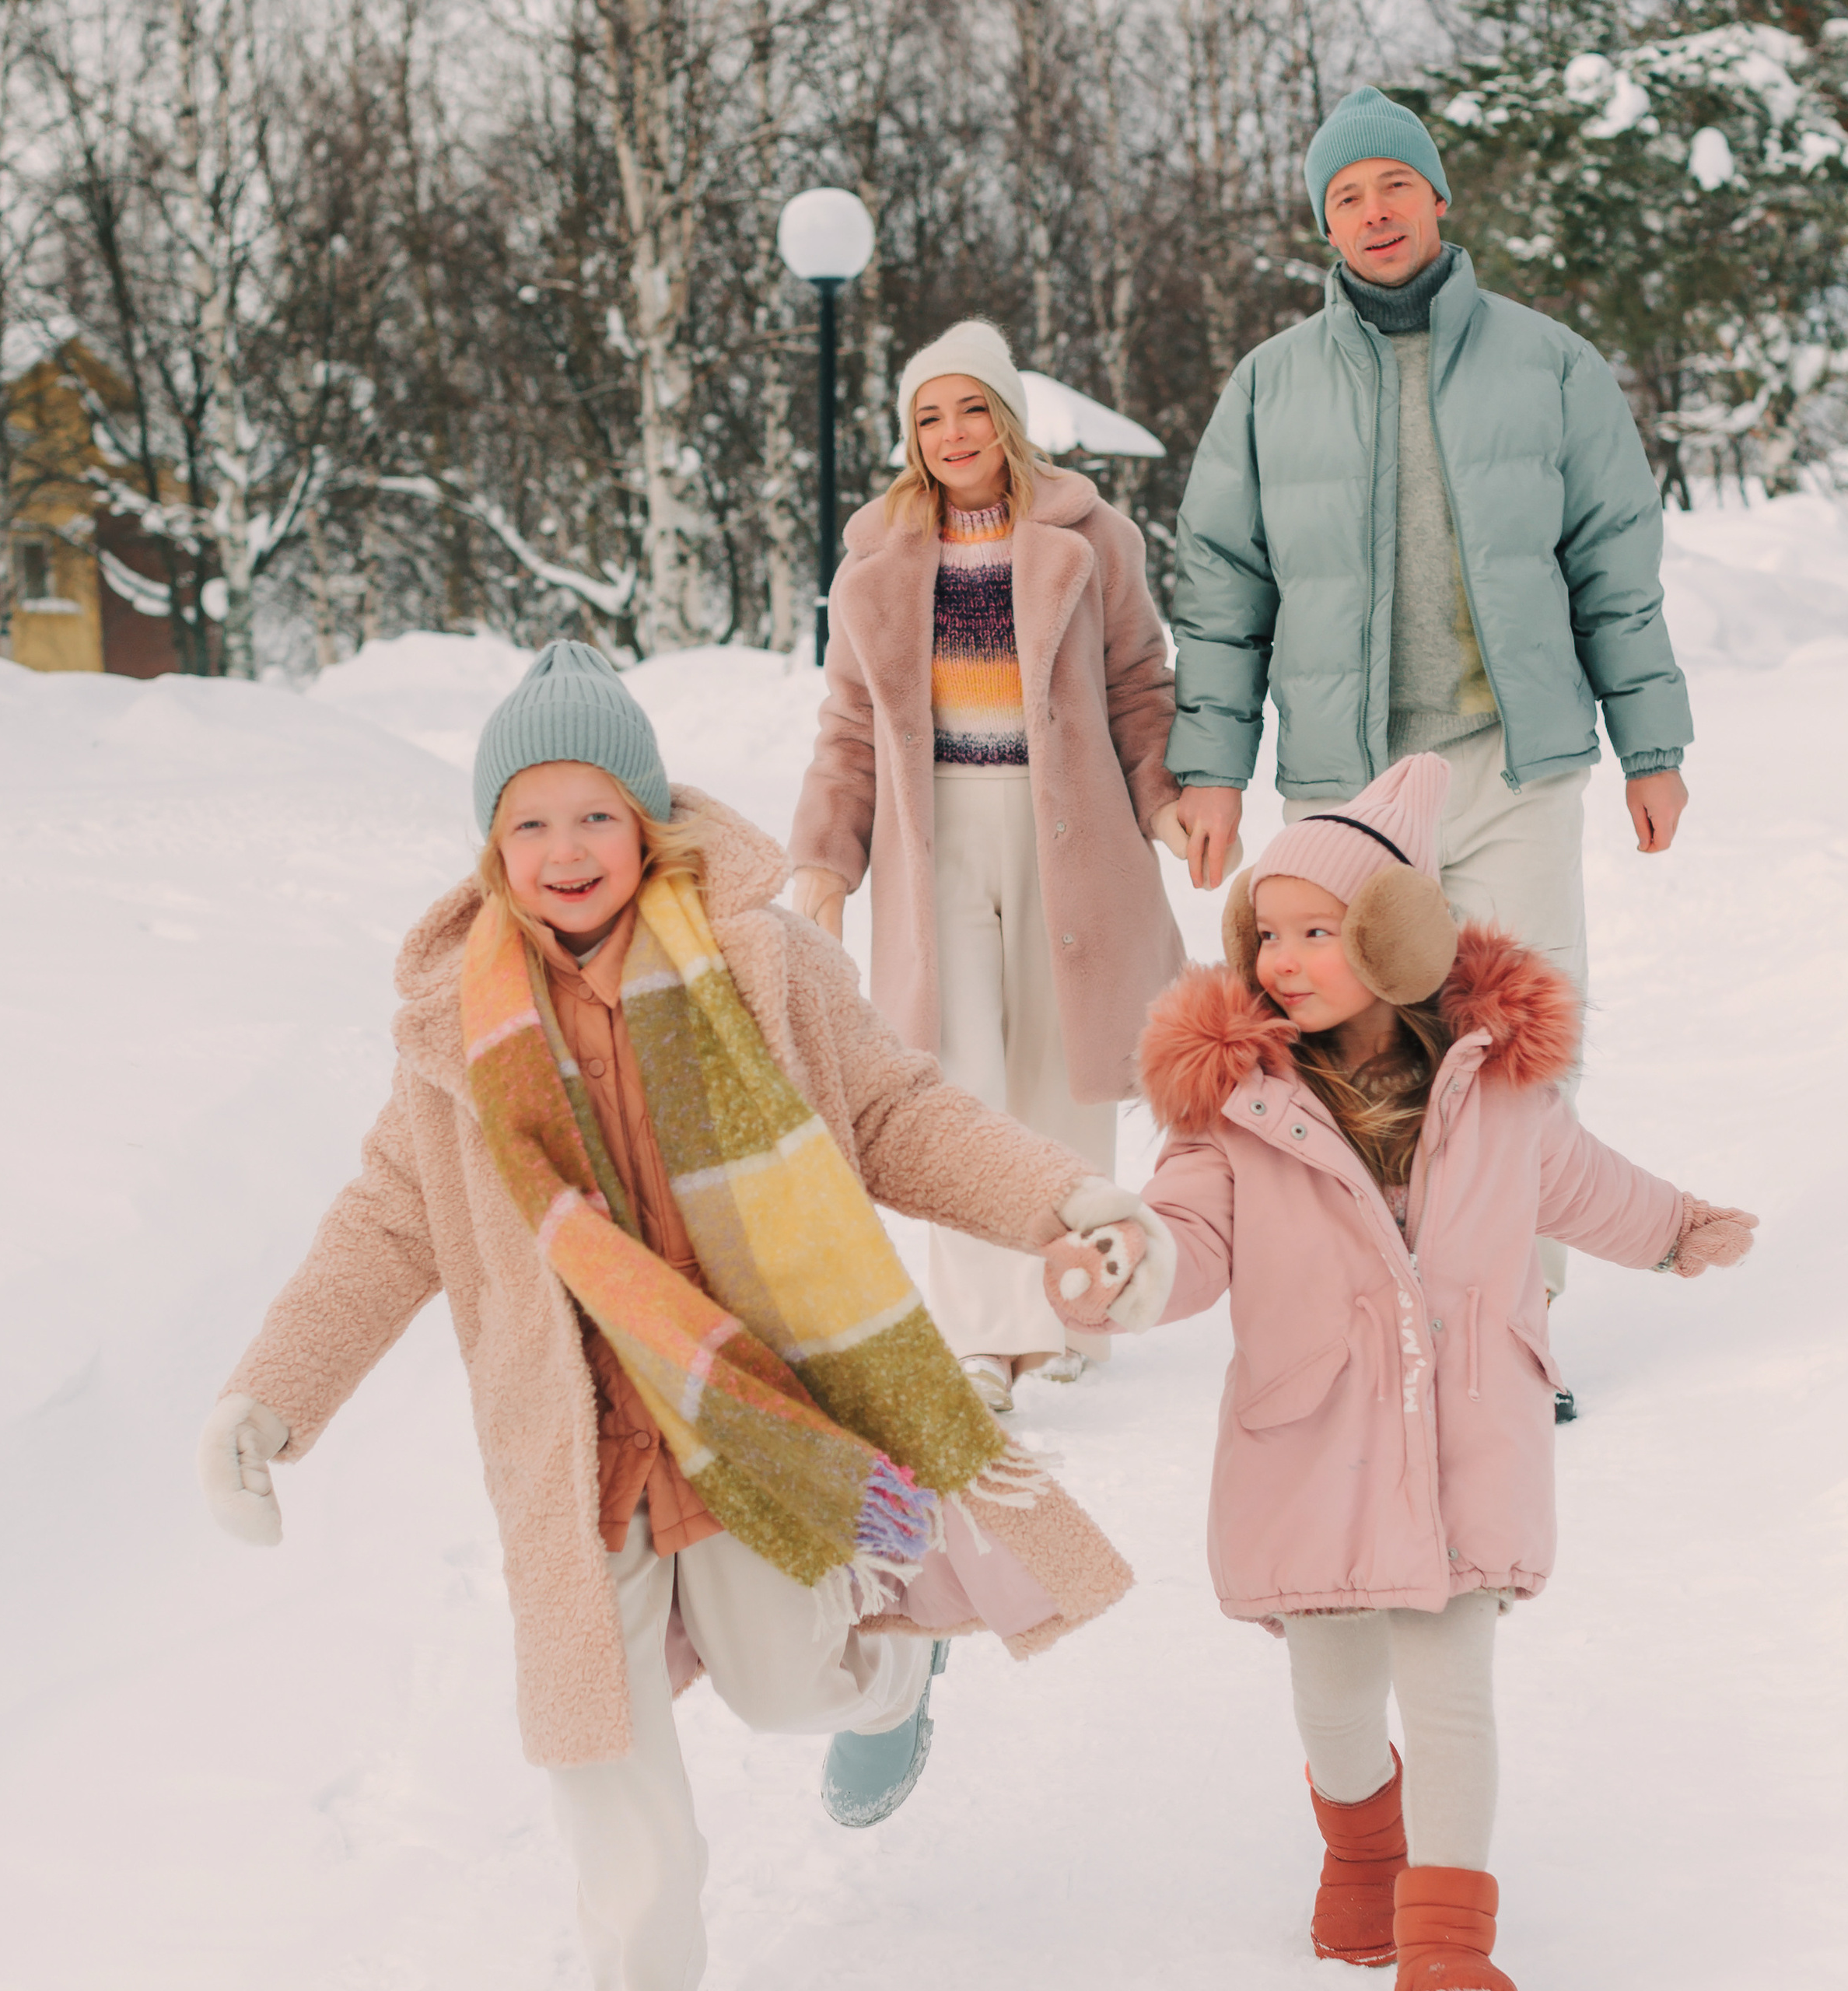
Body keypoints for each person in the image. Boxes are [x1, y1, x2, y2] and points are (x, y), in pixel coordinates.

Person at [195, 642, 1174, 1991]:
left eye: (597, 811)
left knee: (785, 1682)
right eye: (529, 820)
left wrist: (1063, 1200)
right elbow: (382, 1227)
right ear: (491, 849)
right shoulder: (450, 1041)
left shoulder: (758, 963)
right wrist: (272, 1395)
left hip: (747, 1412)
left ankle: (893, 1681)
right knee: (614, 1797)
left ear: (649, 826)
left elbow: (897, 1115)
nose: (566, 847)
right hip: (578, 1453)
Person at [1050, 754, 1755, 1990]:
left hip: (1468, 1439)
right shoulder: (1237, 1106)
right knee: (1333, 1698)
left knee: (1451, 1696)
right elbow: (1191, 1231)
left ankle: (1446, 1949)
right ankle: (1360, 1848)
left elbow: (1587, 1185)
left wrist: (1680, 1227)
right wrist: (1131, 1266)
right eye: (1268, 931)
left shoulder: (1498, 1089)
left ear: (1398, 937)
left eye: (1318, 931)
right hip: (1311, 1437)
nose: (1283, 958)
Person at [1164, 87, 1696, 1408]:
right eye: (1346, 196)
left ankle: (1520, 1318)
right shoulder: (1269, 384)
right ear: (1323, 226)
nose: (1375, 211)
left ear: (1440, 201)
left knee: (1519, 1042)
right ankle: (1380, 1313)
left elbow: (1613, 571)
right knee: (1362, 1049)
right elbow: (1221, 590)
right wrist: (1214, 771)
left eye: (1395, 185)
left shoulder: (1551, 365)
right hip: (1348, 788)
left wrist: (1651, 741)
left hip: (1510, 762)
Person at [789, 318, 1186, 1414]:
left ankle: (1072, 1309)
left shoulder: (1091, 537)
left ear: (1005, 418)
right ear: (910, 436)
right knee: (955, 1082)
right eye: (929, 416)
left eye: (971, 409)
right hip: (939, 838)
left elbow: (1139, 687)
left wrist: (1168, 805)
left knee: (1061, 1067)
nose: (953, 433)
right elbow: (849, 730)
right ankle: (977, 1332)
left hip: (1071, 829)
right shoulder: (875, 563)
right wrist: (825, 860)